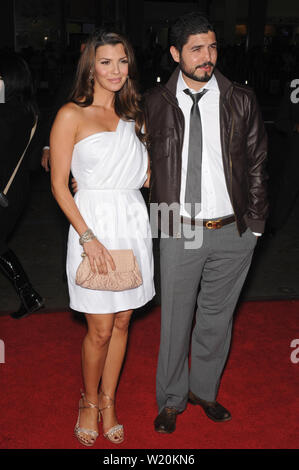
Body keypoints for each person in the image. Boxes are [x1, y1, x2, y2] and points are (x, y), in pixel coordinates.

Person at [144, 13, 268, 433]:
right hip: (177, 226)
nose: (207, 57)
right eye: (197, 49)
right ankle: (172, 399)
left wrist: (255, 225)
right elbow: (118, 141)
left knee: (217, 319)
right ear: (176, 53)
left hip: (233, 229)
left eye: (213, 47)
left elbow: (257, 164)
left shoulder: (241, 98)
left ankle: (204, 390)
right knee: (175, 319)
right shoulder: (154, 102)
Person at [50, 29, 155, 446]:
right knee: (98, 328)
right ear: (91, 67)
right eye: (106, 61)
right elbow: (59, 184)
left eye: (122, 61)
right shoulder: (70, 115)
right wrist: (87, 236)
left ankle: (110, 400)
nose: (115, 70)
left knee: (125, 319)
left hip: (132, 221)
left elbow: (147, 175)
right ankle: (89, 401)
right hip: (91, 224)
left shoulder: (136, 116)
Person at [0, 53, 44, 319]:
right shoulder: (31, 111)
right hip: (17, 189)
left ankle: (30, 295)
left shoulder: (6, 113)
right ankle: (29, 295)